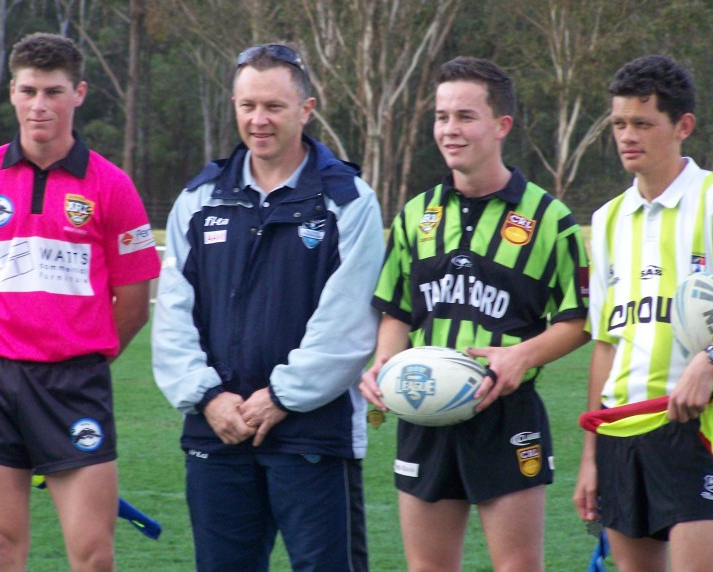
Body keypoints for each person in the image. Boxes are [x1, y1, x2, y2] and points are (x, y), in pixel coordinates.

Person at [151, 43, 384, 571]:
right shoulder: (200, 199)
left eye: (274, 107)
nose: (258, 120)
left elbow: (349, 321)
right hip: (218, 432)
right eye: (247, 105)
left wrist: (281, 396)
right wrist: (208, 397)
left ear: (306, 110)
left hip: (312, 435)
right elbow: (173, 315)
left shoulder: (348, 201)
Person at [359, 56, 590, 571]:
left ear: (501, 125)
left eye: (465, 116)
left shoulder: (550, 218)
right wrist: (382, 364)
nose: (450, 129)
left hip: (506, 414)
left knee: (517, 567)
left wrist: (520, 357)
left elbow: (578, 320)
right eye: (442, 117)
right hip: (423, 407)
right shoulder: (416, 215)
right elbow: (396, 308)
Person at [0, 32, 160, 571]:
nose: (40, 105)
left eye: (54, 91)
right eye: (29, 90)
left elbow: (134, 301)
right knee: (0, 548)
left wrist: (85, 355)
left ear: (79, 93)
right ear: (13, 94)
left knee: (92, 556)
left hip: (73, 384)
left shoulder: (112, 187)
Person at [573, 55, 713, 572]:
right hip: (620, 435)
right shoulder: (607, 220)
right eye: (619, 124)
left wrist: (710, 360)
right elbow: (605, 343)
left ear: (683, 126)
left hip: (695, 429)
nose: (627, 136)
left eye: (642, 123)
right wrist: (590, 457)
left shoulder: (711, 200)